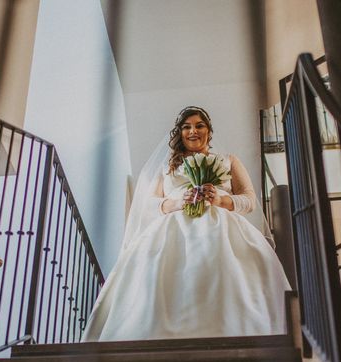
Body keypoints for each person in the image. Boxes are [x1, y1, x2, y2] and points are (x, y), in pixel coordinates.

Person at [82, 106, 290, 341]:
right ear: (179, 133)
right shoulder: (166, 167)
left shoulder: (228, 161)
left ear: (209, 131)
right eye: (186, 127)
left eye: (199, 125)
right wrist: (177, 201)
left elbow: (250, 199)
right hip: (172, 229)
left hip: (221, 226)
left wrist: (221, 199)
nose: (193, 131)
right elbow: (149, 205)